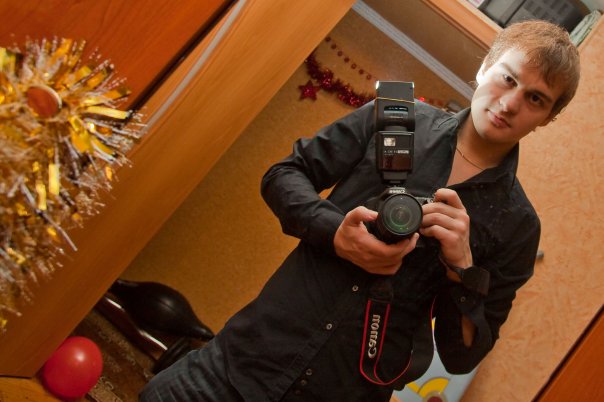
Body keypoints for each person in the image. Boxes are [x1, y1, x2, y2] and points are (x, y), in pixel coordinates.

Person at [140, 19, 580, 402]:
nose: (509, 103)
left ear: (547, 118)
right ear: (485, 67)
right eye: (507, 78)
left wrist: (462, 269)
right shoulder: (397, 119)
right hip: (244, 360)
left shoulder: (518, 226)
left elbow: (462, 355)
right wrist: (335, 233)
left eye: (535, 99)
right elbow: (283, 175)